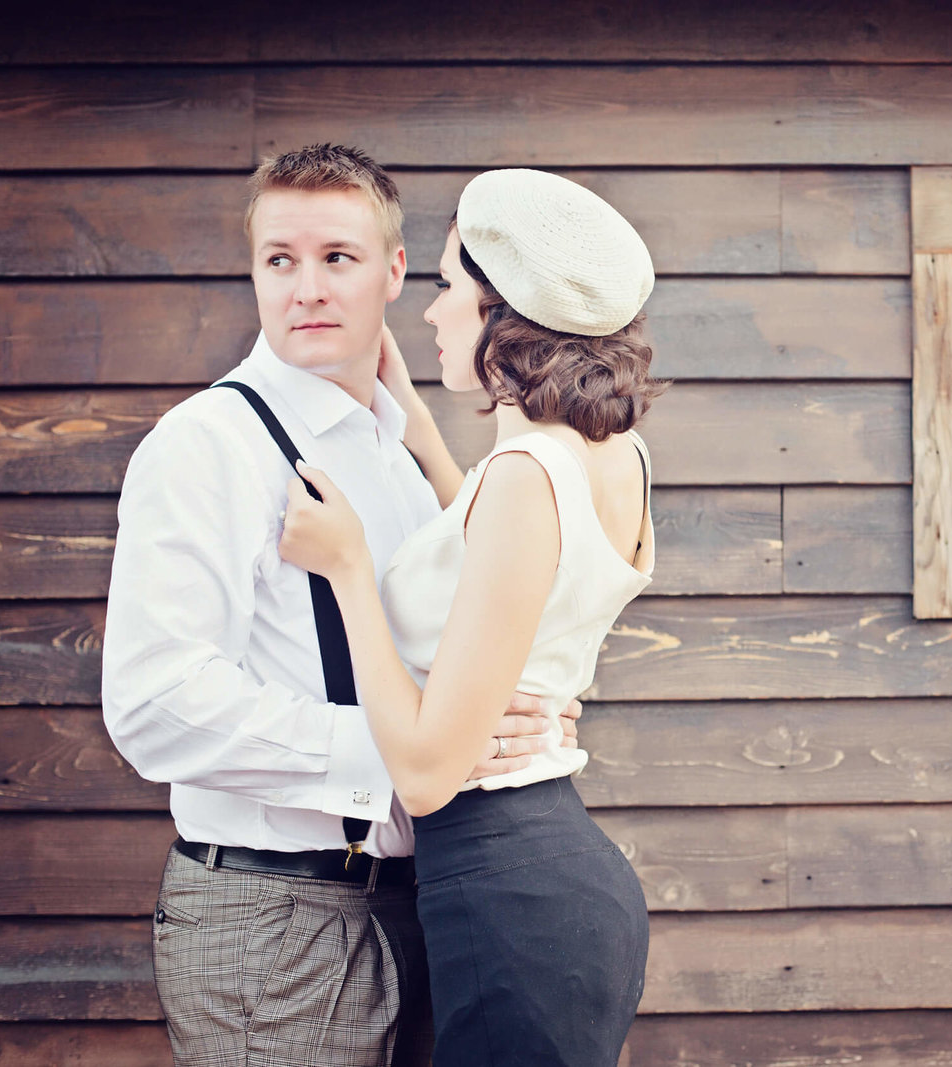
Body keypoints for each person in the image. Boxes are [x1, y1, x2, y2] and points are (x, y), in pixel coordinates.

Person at [102, 144, 581, 1067]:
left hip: (427, 901)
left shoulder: (399, 452)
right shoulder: (208, 445)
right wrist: (406, 750)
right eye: (280, 260)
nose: (306, 288)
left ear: (395, 271)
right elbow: (154, 703)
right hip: (276, 923)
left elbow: (456, 652)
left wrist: (523, 718)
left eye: (338, 258)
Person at [277, 167, 663, 1067]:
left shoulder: (526, 478)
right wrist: (420, 428)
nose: (430, 312)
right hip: (550, 879)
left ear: (502, 315)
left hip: (508, 898)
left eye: (449, 286)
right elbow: (506, 567)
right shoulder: (610, 456)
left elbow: (420, 775)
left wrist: (348, 570)